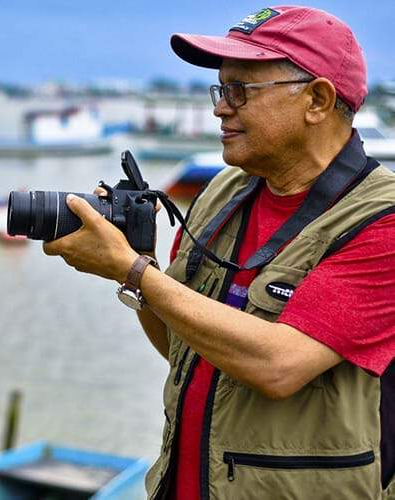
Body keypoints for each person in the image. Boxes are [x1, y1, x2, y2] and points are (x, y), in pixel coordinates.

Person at [43, 6, 395, 499]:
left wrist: (135, 270)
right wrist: (135, 261)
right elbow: (180, 346)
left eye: (240, 91)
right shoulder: (224, 193)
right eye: (220, 89)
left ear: (317, 99)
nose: (219, 108)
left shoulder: (382, 221)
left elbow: (280, 366)